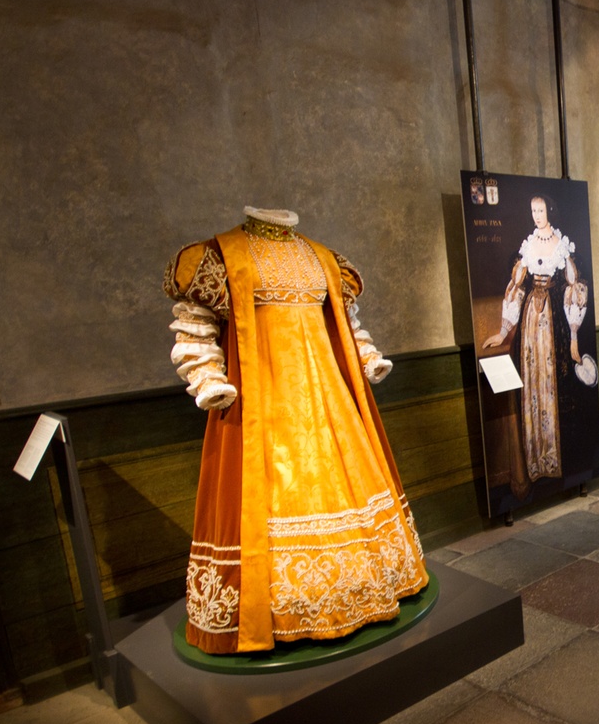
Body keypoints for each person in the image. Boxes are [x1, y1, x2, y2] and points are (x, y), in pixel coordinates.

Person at [164, 206, 427, 654]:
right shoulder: (223, 255)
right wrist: (206, 377)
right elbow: (195, 327)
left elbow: (345, 323)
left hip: (330, 400)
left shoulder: (321, 257)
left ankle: (361, 587)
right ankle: (282, 608)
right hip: (265, 400)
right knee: (271, 494)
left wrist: (367, 358)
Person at [481, 194, 598, 499]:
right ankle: (535, 461)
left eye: (541, 209)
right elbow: (517, 288)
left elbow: (574, 290)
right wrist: (503, 332)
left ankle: (554, 460)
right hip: (530, 326)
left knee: (552, 383)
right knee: (532, 382)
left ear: (550, 210)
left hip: (554, 325)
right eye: (533, 210)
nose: (537, 214)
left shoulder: (562, 246)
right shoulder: (528, 245)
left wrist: (573, 338)